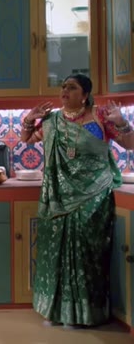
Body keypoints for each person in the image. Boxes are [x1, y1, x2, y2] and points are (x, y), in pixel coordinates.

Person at [21, 74, 134, 328]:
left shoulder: (101, 117)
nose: (65, 90)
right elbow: (26, 139)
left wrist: (121, 122)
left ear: (85, 95)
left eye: (72, 87)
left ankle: (83, 314)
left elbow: (129, 144)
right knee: (56, 251)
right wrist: (29, 118)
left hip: (92, 196)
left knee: (86, 254)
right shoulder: (52, 120)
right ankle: (56, 312)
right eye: (63, 87)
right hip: (58, 198)